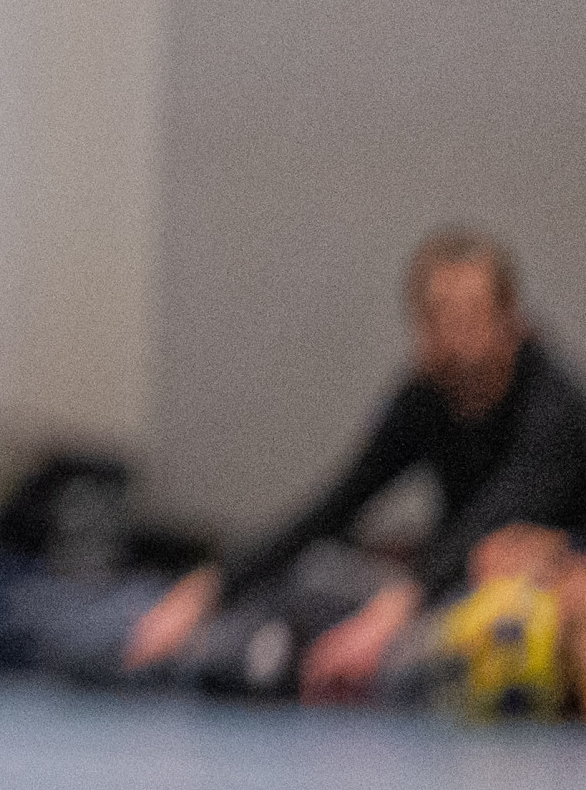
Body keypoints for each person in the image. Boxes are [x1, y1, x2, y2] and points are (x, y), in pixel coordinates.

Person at [117, 226, 586, 702]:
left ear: (510, 317)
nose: (454, 334)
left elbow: (490, 522)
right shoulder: (425, 396)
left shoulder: (558, 406)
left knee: (423, 656)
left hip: (529, 603)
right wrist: (209, 589)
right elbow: (336, 504)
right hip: (440, 588)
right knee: (305, 583)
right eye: (437, 315)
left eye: (471, 314)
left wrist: (389, 616)